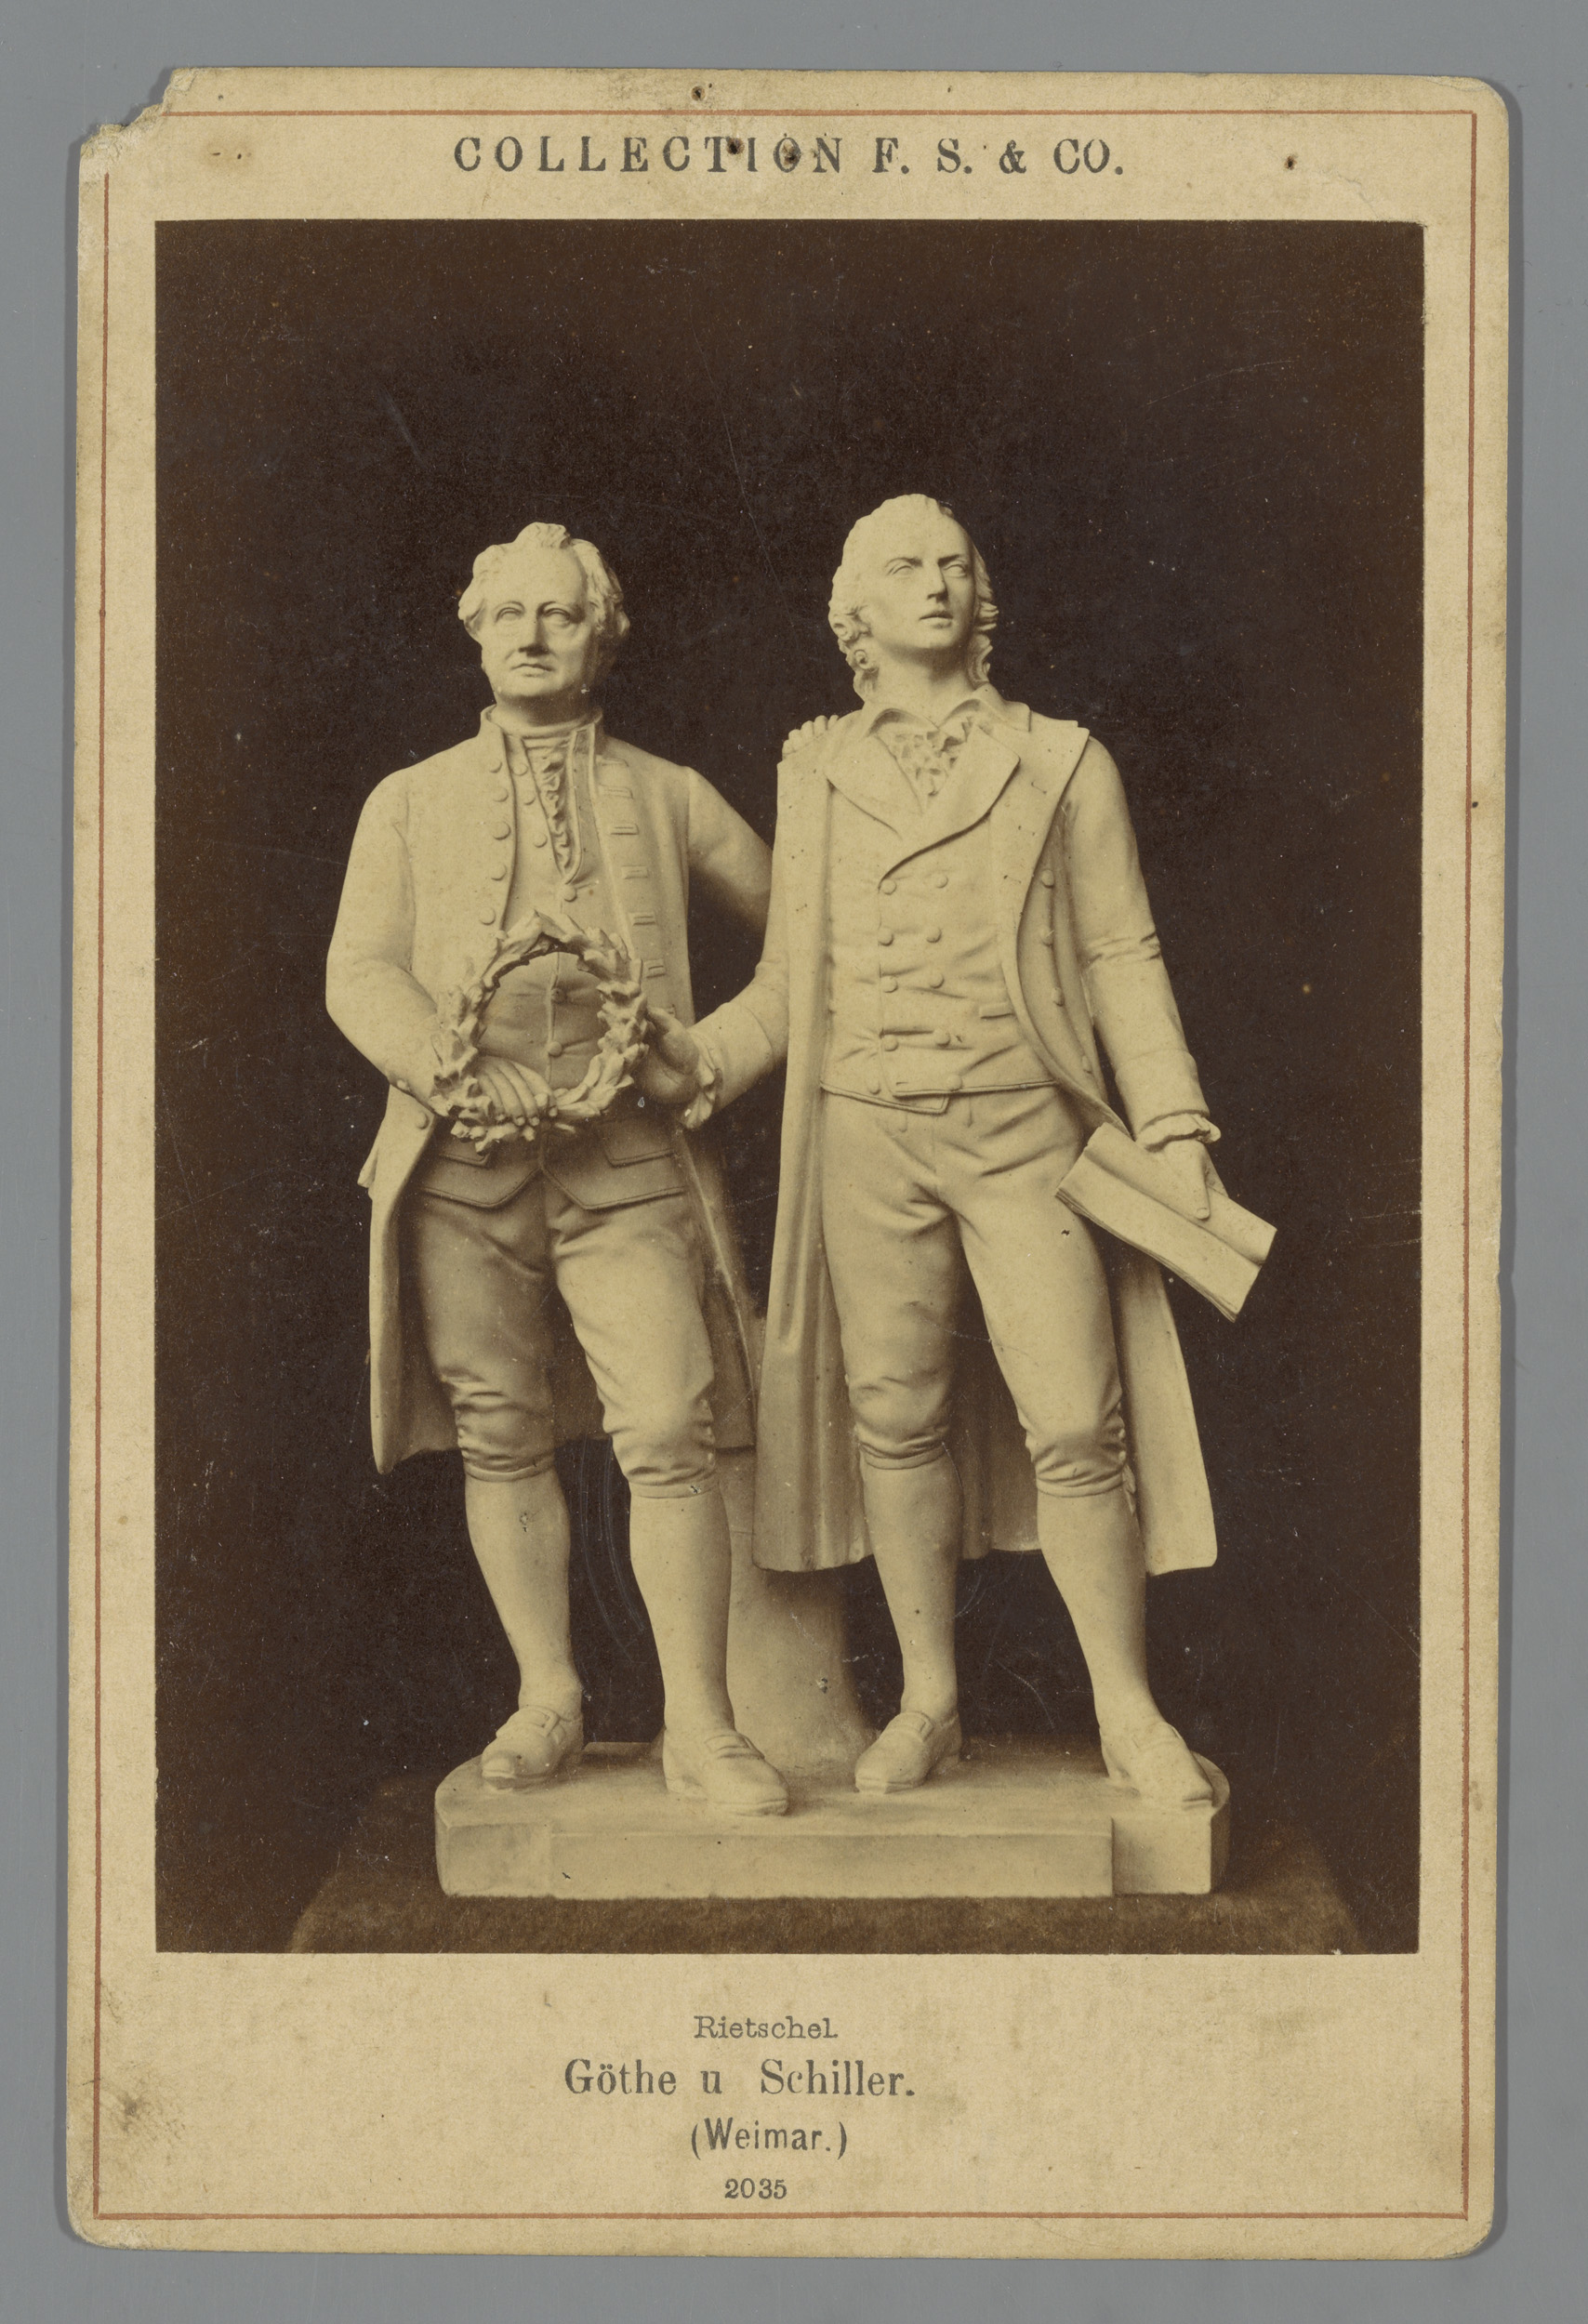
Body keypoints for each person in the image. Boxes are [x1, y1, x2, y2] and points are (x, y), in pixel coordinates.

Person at [646, 495, 1225, 1806]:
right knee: (892, 1421)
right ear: (851, 610)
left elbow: (1121, 954)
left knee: (1076, 1421)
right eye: (904, 565)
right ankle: (931, 1703)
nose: (937, 582)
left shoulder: (1062, 762)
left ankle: (1127, 1710)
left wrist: (1174, 1124)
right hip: (867, 1134)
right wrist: (701, 1063)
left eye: (956, 563)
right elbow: (788, 981)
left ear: (983, 595)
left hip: (1027, 1131)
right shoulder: (813, 769)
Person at [326, 522, 788, 1816]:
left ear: (604, 637)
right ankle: (549, 1696)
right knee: (500, 1432)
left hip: (629, 1161)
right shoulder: (407, 801)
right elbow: (357, 970)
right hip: (463, 1167)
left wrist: (706, 1058)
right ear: (476, 632)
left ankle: (703, 1724)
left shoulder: (669, 793)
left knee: (670, 1428)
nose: (532, 635)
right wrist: (448, 1067)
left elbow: (812, 939)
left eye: (561, 614)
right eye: (509, 614)